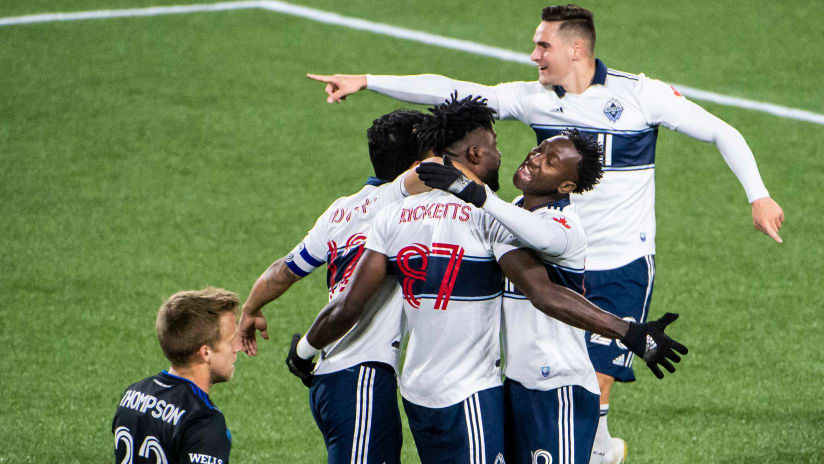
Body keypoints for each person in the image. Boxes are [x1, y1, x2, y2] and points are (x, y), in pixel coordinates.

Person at [305, 5, 784, 462]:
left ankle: (591, 451)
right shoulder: (533, 99)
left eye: (542, 46)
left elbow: (722, 131)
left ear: (576, 49)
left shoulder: (640, 95)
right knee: (537, 362)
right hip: (543, 244)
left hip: (618, 261)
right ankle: (586, 449)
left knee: (593, 382)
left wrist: (758, 195)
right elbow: (454, 90)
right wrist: (367, 81)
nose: (534, 56)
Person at [287, 95, 687, 464]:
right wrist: (628, 331)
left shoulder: (403, 216)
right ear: (476, 153)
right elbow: (540, 291)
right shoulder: (493, 217)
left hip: (514, 387)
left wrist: (305, 350)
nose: (524, 156)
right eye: (532, 149)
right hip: (487, 392)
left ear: (567, 185)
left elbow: (349, 304)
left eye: (547, 160)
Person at [239, 109, 429, 464]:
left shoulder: (341, 210)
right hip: (360, 379)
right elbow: (426, 174)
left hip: (332, 380)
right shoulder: (400, 198)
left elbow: (283, 271)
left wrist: (250, 309)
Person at [419, 130, 605, 463]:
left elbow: (543, 237)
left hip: (559, 387)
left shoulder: (564, 226)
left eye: (550, 161)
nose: (534, 158)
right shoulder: (513, 209)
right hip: (517, 382)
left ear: (565, 187)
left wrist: (479, 195)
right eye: (539, 149)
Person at [112, 287, 240, 464]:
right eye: (231, 341)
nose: (237, 348)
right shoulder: (203, 421)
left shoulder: (133, 394)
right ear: (206, 353)